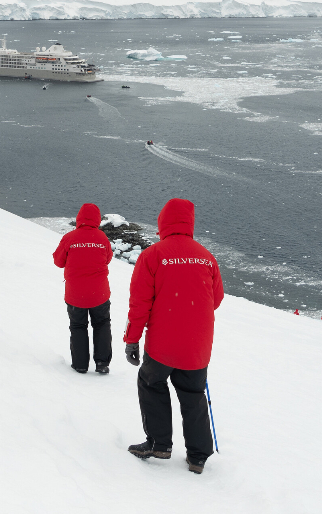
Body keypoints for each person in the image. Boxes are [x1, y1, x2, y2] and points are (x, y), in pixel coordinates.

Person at [124, 198, 224, 475]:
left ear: (163, 222)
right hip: (197, 345)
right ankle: (198, 456)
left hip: (163, 343)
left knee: (151, 382)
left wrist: (132, 339)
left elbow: (139, 304)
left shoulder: (153, 255)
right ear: (190, 223)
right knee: (193, 394)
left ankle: (159, 444)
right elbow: (216, 299)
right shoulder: (206, 256)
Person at [53, 203, 114, 374]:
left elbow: (58, 261)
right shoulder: (102, 238)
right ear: (97, 219)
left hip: (75, 294)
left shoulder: (70, 237)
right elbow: (108, 259)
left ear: (79, 218)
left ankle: (80, 364)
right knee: (102, 324)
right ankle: (102, 362)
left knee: (78, 326)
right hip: (99, 293)